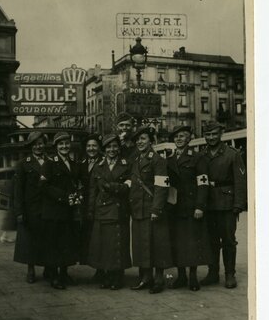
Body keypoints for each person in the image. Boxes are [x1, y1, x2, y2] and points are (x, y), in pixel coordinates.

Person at [200, 121, 247, 289]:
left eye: (214, 134)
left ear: (221, 134)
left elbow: (240, 181)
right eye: (208, 134)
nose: (211, 138)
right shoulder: (202, 154)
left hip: (227, 204)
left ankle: (229, 274)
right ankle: (213, 273)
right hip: (208, 204)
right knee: (211, 240)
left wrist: (238, 205)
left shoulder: (232, 154)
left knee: (228, 240)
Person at [167, 125, 212, 291]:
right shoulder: (169, 159)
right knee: (177, 242)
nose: (179, 139)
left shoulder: (197, 158)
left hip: (191, 207)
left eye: (182, 136)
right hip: (175, 208)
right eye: (176, 136)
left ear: (189, 138)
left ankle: (193, 277)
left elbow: (203, 183)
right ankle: (181, 276)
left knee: (192, 243)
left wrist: (200, 206)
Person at [129, 126, 173, 294]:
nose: (139, 142)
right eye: (137, 140)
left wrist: (156, 209)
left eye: (143, 139)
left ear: (151, 141)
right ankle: (146, 277)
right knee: (142, 244)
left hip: (152, 209)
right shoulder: (136, 160)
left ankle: (159, 279)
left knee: (157, 244)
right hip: (138, 209)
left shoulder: (157, 160)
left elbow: (162, 187)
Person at [88, 134, 131, 290]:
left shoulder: (126, 165)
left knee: (117, 244)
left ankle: (117, 276)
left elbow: (128, 186)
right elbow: (93, 191)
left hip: (119, 209)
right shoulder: (98, 167)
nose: (112, 150)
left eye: (114, 147)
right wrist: (91, 209)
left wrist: (112, 187)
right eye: (108, 147)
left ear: (119, 148)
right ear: (103, 150)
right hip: (102, 210)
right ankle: (106, 275)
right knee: (104, 244)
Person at [40, 131, 81, 289]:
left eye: (66, 143)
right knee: (54, 244)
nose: (64, 146)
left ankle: (64, 273)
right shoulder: (49, 163)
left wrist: (77, 196)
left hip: (68, 211)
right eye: (61, 144)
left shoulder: (72, 162)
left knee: (66, 243)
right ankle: (55, 276)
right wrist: (64, 197)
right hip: (54, 211)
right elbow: (44, 186)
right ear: (56, 146)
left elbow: (75, 184)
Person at [13, 132, 48, 283]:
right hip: (30, 209)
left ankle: (49, 268)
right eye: (35, 144)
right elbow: (18, 190)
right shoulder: (23, 163)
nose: (38, 146)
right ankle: (31, 270)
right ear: (30, 147)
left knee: (48, 239)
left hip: (48, 207)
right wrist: (19, 211)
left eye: (40, 143)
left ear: (44, 144)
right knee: (30, 240)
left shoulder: (51, 161)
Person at [78, 133, 104, 281]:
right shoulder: (82, 163)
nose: (91, 148)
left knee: (100, 237)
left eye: (94, 146)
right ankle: (97, 268)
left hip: (100, 204)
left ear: (99, 147)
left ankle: (102, 269)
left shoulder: (103, 162)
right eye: (88, 146)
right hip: (85, 205)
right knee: (91, 238)